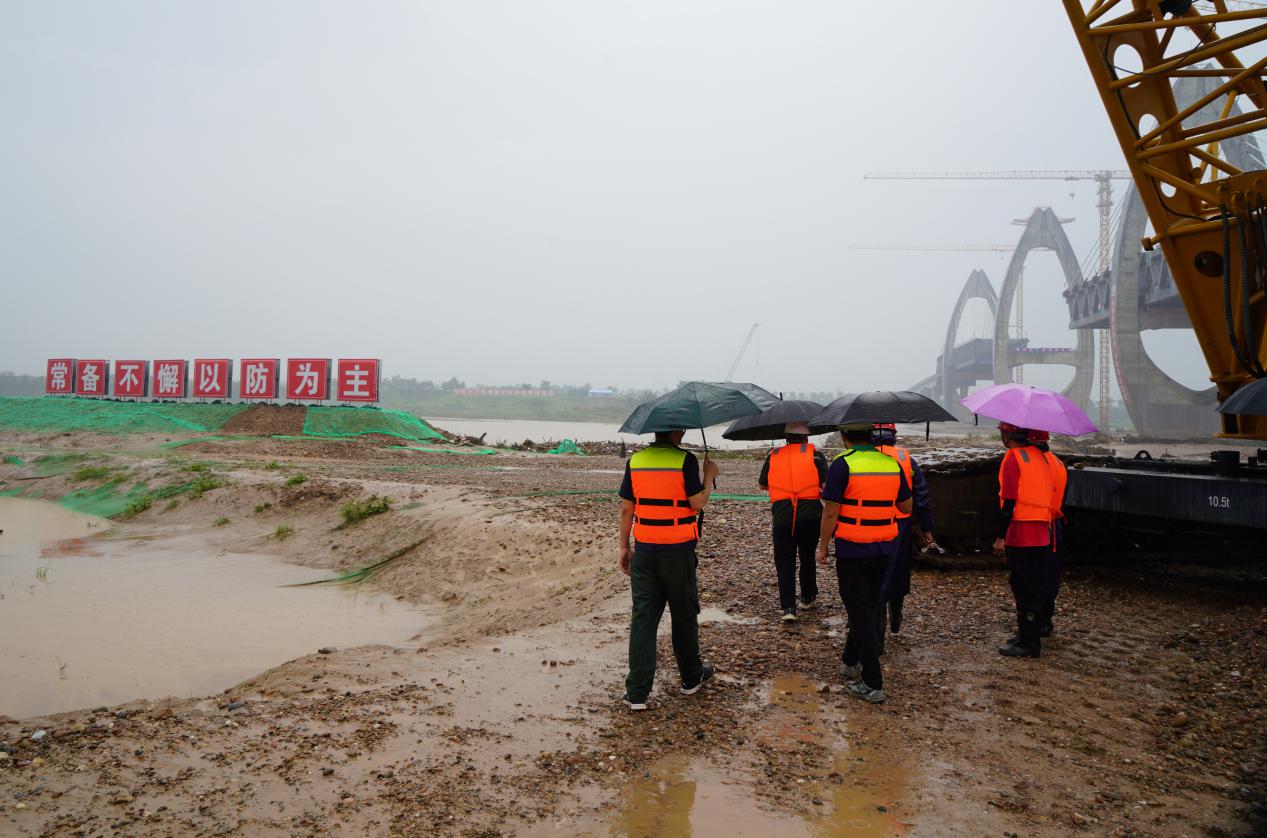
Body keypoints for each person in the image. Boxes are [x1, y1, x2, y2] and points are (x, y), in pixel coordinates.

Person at [618, 429, 719, 711]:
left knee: (643, 620)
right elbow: (697, 503)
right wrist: (708, 476)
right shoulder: (684, 460)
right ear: (678, 431)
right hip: (677, 551)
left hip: (646, 550)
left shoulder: (636, 461)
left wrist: (624, 547)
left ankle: (637, 692)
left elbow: (627, 509)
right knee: (684, 614)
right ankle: (690, 677)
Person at [816, 423, 913, 704]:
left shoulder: (842, 464)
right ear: (871, 437)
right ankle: (849, 660)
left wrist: (822, 547)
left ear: (845, 437)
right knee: (867, 606)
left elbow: (831, 513)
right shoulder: (891, 464)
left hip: (853, 548)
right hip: (885, 547)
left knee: (861, 612)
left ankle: (873, 681)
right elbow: (906, 507)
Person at [992, 422, 1055, 658]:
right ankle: (1028, 634)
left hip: (1021, 532)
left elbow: (1008, 502)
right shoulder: (1041, 456)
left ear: (1007, 434)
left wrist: (1000, 537)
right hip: (1041, 530)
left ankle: (1029, 644)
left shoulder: (1013, 458)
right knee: (1033, 586)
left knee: (1023, 588)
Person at [873, 423, 936, 648]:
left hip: (871, 524)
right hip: (900, 525)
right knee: (898, 573)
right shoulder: (906, 459)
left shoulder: (864, 459)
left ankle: (877, 635)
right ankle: (896, 620)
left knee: (876, 577)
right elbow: (921, 495)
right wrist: (926, 528)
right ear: (893, 436)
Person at [758, 422, 828, 623]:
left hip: (782, 517)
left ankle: (788, 606)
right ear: (806, 438)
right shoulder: (817, 456)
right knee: (807, 557)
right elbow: (826, 486)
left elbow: (763, 484)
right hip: (811, 516)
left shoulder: (773, 455)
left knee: (784, 561)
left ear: (786, 438)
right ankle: (807, 596)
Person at [1028, 430, 1068, 637]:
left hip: (1035, 525)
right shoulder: (1059, 463)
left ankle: (1033, 623)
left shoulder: (1033, 464)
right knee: (1050, 574)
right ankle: (1045, 620)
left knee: (1031, 576)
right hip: (1055, 524)